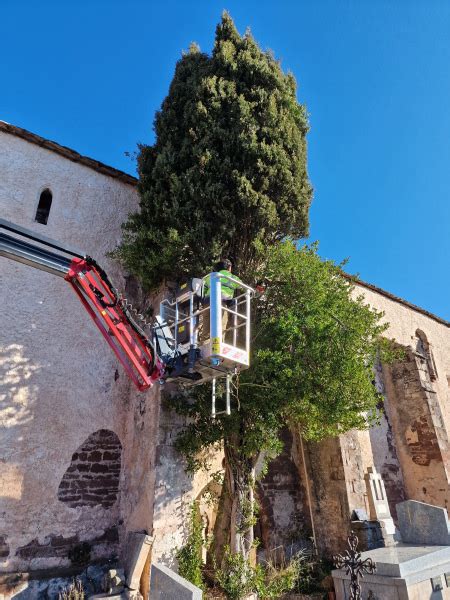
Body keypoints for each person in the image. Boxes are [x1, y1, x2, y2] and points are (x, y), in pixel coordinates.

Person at [201, 259, 243, 343]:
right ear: (229, 267)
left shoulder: (209, 277)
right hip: (221, 304)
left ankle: (204, 344)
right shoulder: (232, 278)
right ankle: (218, 345)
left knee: (206, 327)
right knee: (220, 327)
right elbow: (242, 287)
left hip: (207, 304)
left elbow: (203, 291)